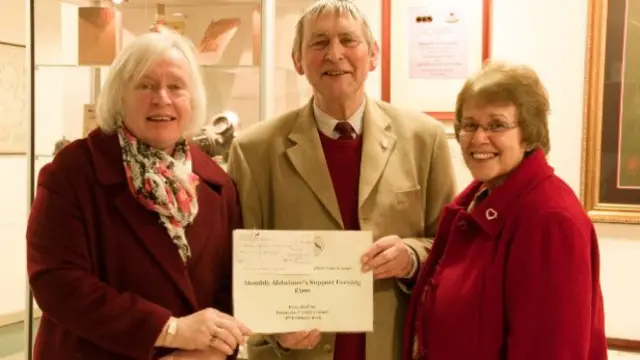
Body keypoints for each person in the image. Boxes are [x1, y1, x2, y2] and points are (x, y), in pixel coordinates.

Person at [226, 1, 456, 359]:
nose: (335, 54)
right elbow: (239, 267)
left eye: (348, 40)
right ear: (298, 60)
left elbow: (451, 250)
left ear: (373, 54)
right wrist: (274, 331)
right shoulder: (253, 151)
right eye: (318, 43)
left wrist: (411, 256)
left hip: (393, 348)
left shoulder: (425, 140)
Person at [26, 31, 251, 360]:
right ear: (119, 96)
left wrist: (216, 349)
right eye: (145, 85)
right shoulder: (72, 171)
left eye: (176, 86)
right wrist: (170, 330)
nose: (162, 98)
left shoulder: (218, 183)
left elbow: (229, 289)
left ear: (193, 98)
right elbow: (57, 282)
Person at [402, 62, 608, 360]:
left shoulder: (549, 219)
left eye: (497, 125)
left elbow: (549, 351)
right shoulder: (479, 198)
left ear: (529, 134)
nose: (478, 138)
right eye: (469, 125)